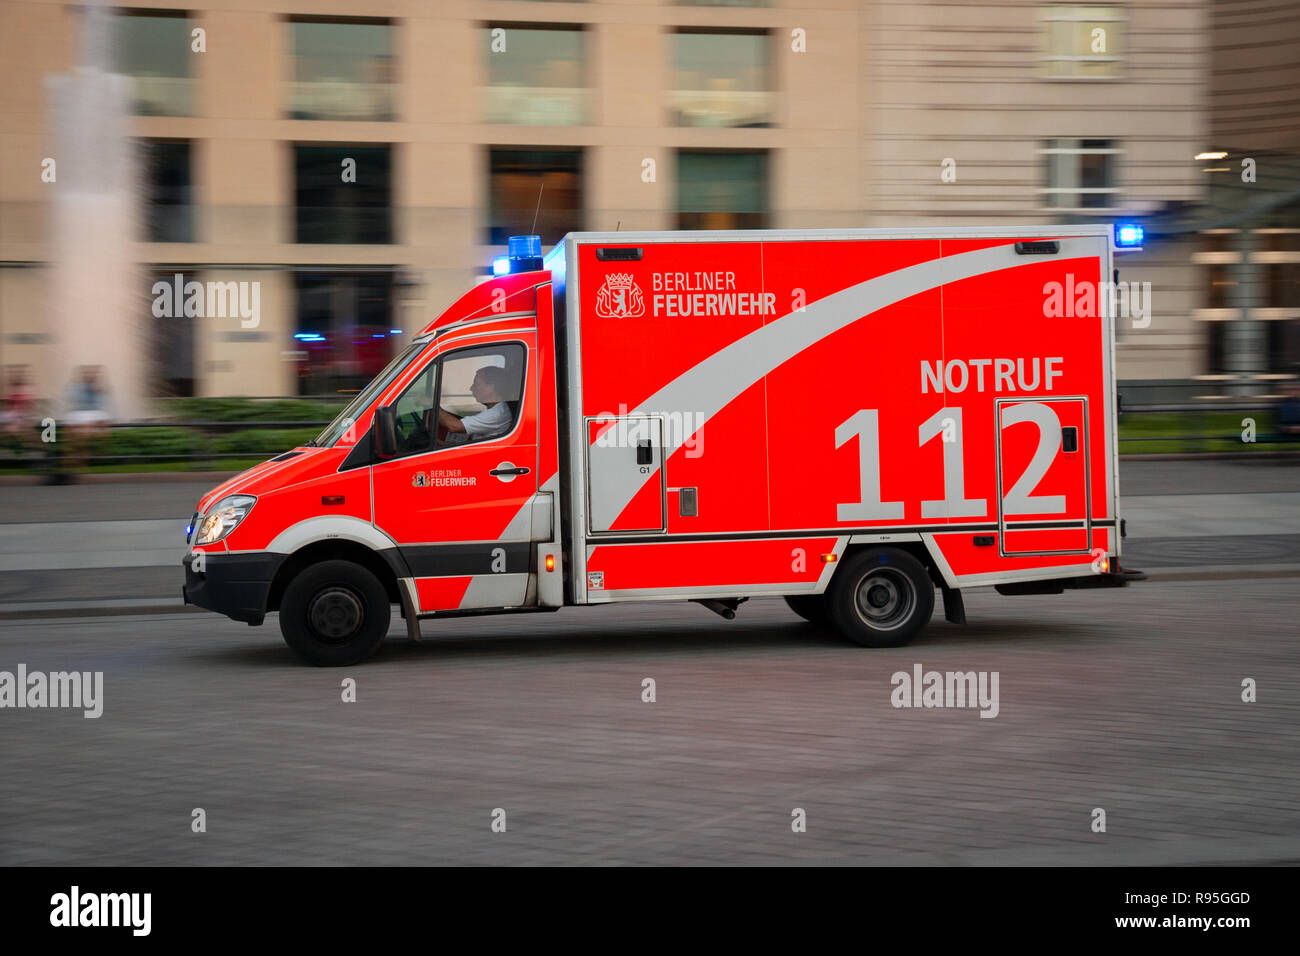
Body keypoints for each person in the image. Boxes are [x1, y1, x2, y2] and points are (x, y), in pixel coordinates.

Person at [437, 364, 515, 444]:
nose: (471, 388)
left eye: (476, 384)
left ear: (490, 387)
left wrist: (431, 405)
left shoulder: (497, 414)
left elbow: (454, 426)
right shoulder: (499, 409)